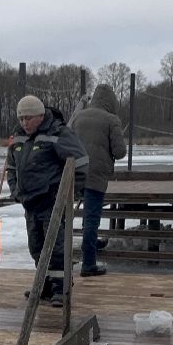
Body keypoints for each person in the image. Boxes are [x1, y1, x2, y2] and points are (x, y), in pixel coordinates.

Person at [4, 95, 88, 305]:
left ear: (41, 116)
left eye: (29, 118)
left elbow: (81, 165)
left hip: (52, 201)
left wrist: (67, 194)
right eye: (21, 118)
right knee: (37, 246)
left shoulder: (58, 133)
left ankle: (61, 288)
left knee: (57, 246)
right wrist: (16, 190)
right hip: (30, 202)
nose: (25, 123)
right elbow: (12, 167)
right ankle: (46, 284)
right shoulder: (18, 137)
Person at [69, 85, 129, 276]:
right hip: (96, 175)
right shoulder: (112, 120)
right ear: (111, 102)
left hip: (74, 174)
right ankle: (88, 264)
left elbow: (67, 140)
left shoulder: (79, 116)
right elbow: (120, 152)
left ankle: (77, 251)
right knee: (92, 218)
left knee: (76, 217)